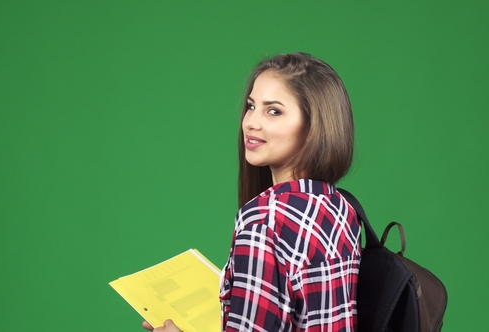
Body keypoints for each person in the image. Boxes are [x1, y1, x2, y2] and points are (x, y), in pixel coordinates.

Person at [143, 52, 361, 332]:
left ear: (312, 127)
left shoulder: (263, 221)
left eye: (273, 111)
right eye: (251, 106)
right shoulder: (340, 208)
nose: (250, 123)